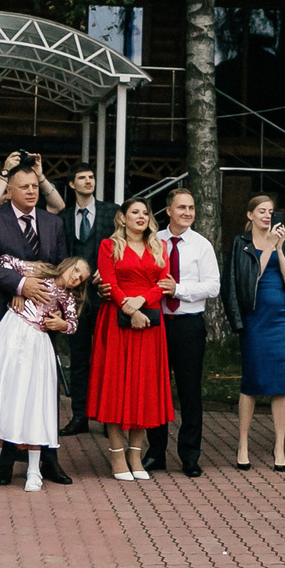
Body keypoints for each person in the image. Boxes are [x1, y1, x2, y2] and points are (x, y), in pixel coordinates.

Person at [0, 162, 69, 485]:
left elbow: (61, 270)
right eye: (23, 187)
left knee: (40, 389)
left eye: (34, 186)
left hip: (41, 323)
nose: (30, 191)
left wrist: (61, 314)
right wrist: (20, 286)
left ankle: (46, 460)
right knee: (4, 389)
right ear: (8, 190)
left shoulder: (53, 223)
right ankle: (3, 463)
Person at [0, 255, 89, 492]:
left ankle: (34, 470)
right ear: (68, 263)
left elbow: (73, 324)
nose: (76, 277)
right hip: (11, 334)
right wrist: (18, 287)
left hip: (37, 344)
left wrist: (61, 325)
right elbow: (5, 261)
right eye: (76, 270)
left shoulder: (67, 298)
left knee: (33, 402)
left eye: (81, 278)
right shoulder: (39, 272)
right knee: (2, 397)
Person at [90, 200, 176, 482]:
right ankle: (116, 454)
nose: (141, 217)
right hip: (117, 320)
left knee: (143, 387)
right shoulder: (109, 245)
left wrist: (142, 302)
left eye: (145, 213)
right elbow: (110, 281)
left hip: (150, 323)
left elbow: (162, 284)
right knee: (117, 386)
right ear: (122, 218)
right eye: (134, 212)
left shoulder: (158, 247)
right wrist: (130, 308)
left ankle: (135, 453)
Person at [143, 189, 222, 476]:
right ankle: (156, 452)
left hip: (189, 323)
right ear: (168, 211)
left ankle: (190, 455)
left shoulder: (202, 245)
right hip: (158, 323)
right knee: (157, 389)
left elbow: (213, 286)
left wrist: (179, 290)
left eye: (191, 208)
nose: (187, 213)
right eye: (182, 208)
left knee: (189, 391)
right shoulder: (154, 242)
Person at [224, 194, 285, 470]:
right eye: (262, 211)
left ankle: (279, 447)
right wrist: (267, 248)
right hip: (255, 318)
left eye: (271, 211)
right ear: (250, 215)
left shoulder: (282, 243)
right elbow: (248, 280)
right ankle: (242, 443)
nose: (268, 216)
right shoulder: (240, 244)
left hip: (281, 317)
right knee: (252, 381)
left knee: (282, 383)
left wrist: (279, 248)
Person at [57, 163, 110, 435]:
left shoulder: (112, 212)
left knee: (107, 358)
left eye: (91, 177)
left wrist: (109, 271)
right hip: (74, 298)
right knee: (79, 358)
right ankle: (80, 415)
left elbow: (123, 244)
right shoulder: (64, 217)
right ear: (72, 184)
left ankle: (107, 414)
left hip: (105, 295)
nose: (88, 181)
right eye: (82, 178)